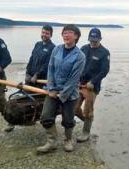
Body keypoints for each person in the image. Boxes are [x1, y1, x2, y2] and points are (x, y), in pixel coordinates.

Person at [37, 24, 85, 153]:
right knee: (46, 116)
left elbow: (74, 79)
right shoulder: (56, 50)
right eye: (64, 32)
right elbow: (50, 69)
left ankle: (68, 139)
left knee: (68, 120)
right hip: (52, 90)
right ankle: (51, 142)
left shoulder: (80, 56)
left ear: (76, 36)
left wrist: (63, 95)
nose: (66, 35)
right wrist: (51, 89)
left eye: (69, 32)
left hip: (70, 94)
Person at [75, 27, 110, 142]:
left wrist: (93, 82)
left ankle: (86, 132)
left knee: (88, 110)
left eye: (95, 40)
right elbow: (77, 64)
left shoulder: (104, 53)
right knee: (74, 108)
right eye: (91, 39)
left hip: (92, 87)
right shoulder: (83, 49)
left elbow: (104, 71)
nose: (93, 42)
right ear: (89, 38)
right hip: (79, 83)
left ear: (100, 39)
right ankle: (87, 122)